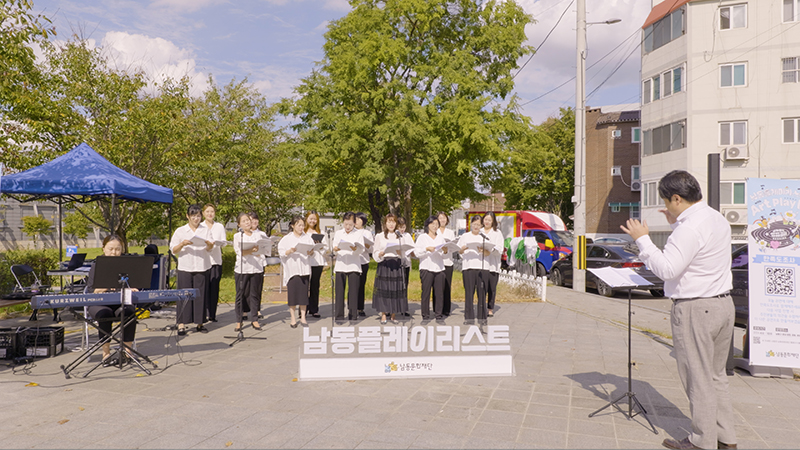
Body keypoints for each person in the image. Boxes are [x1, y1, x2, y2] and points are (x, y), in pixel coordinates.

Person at [620, 170, 736, 450]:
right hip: (722, 304)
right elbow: (694, 252)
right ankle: (725, 438)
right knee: (716, 376)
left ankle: (702, 441)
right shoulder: (715, 218)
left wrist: (642, 240)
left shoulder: (689, 228)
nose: (666, 207)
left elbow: (668, 269)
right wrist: (675, 224)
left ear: (676, 198)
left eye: (666, 201)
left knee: (698, 379)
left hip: (696, 308)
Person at [85, 235, 136, 366]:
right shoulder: (96, 266)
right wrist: (107, 286)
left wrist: (133, 288)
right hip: (99, 303)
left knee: (129, 311)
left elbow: (135, 284)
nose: (114, 252)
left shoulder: (127, 266)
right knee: (104, 313)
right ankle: (105, 353)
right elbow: (91, 290)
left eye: (118, 249)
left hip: (119, 302)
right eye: (111, 249)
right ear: (103, 249)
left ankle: (127, 352)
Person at [170, 204, 214, 335]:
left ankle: (200, 323)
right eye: (193, 216)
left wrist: (209, 244)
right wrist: (182, 243)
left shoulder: (205, 230)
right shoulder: (180, 231)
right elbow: (173, 249)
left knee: (200, 295)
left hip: (201, 265)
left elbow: (210, 248)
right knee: (183, 295)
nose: (196, 219)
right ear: (187, 216)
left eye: (198, 216)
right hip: (185, 266)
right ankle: (182, 324)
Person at [371, 213, 409, 324]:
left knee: (395, 289)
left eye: (393, 221)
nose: (391, 224)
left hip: (396, 264)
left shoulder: (399, 236)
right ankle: (383, 314)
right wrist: (380, 253)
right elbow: (375, 251)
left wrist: (400, 252)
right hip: (384, 263)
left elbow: (404, 253)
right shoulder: (380, 236)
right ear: (385, 223)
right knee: (384, 290)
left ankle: (393, 315)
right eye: (389, 221)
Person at [278, 216, 314, 328]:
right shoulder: (286, 239)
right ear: (293, 225)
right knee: (293, 295)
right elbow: (281, 252)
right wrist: (289, 251)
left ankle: (303, 317)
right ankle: (293, 318)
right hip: (292, 269)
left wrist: (311, 252)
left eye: (303, 225)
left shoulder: (307, 238)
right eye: (299, 225)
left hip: (304, 268)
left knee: (304, 295)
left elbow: (312, 251)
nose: (301, 227)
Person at [232, 213, 262, 332]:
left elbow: (263, 250)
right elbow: (240, 252)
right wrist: (251, 250)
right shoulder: (238, 236)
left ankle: (255, 319)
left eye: (248, 220)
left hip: (256, 267)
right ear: (239, 224)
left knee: (254, 295)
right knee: (240, 295)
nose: (247, 222)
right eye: (244, 221)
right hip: (242, 269)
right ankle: (239, 321)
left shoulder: (258, 235)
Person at [458, 215, 490, 324]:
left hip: (482, 268)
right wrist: (462, 249)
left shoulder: (484, 237)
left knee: (482, 293)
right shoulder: (465, 236)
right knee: (469, 293)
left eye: (478, 224)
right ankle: (469, 318)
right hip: (468, 267)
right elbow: (459, 252)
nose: (476, 226)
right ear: (470, 224)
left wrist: (482, 250)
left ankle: (482, 317)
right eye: (474, 224)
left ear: (481, 225)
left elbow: (488, 253)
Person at [415, 215, 447, 323]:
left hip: (439, 268)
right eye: (432, 224)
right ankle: (425, 316)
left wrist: (445, 250)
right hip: (426, 268)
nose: (434, 226)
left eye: (436, 224)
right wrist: (426, 249)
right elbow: (417, 253)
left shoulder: (440, 237)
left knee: (439, 293)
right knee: (426, 293)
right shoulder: (422, 237)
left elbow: (444, 255)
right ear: (428, 225)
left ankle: (438, 315)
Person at [333, 212, 364, 322]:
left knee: (353, 292)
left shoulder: (358, 234)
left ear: (354, 223)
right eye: (346, 224)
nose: (347, 227)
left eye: (350, 224)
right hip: (341, 264)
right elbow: (334, 248)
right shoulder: (338, 233)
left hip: (353, 264)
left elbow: (362, 249)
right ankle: (339, 316)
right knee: (339, 292)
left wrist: (356, 249)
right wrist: (336, 249)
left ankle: (353, 315)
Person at [203, 204, 226, 323]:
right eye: (207, 211)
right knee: (204, 287)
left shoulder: (219, 226)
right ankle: (203, 313)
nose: (210, 214)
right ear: (203, 213)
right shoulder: (200, 226)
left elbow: (224, 241)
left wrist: (217, 243)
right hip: (203, 261)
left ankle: (212, 314)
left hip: (216, 261)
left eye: (212, 211)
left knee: (214, 287)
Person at [482, 211, 504, 317]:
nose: (487, 222)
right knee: (482, 288)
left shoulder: (497, 233)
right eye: (485, 219)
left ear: (493, 221)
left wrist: (491, 249)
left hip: (493, 265)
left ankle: (490, 308)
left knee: (491, 288)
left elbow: (500, 249)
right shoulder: (479, 232)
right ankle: (481, 307)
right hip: (481, 265)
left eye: (489, 220)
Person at [305, 211, 325, 318]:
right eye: (311, 218)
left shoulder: (320, 232)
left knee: (315, 285)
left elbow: (325, 247)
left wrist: (320, 246)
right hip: (306, 261)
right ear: (306, 219)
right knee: (304, 286)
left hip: (317, 261)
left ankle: (314, 309)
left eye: (315, 219)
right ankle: (303, 309)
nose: (312, 221)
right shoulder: (303, 232)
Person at [248, 211, 268, 319]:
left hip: (259, 263)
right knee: (246, 289)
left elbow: (267, 249)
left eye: (255, 219)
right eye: (251, 220)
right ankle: (245, 311)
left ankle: (257, 310)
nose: (254, 222)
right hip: (247, 264)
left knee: (257, 288)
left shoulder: (262, 234)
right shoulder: (243, 234)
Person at [436, 211, 456, 316]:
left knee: (447, 286)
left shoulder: (450, 232)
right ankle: (437, 309)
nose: (442, 220)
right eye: (440, 218)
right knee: (437, 287)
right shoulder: (435, 231)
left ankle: (446, 309)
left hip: (448, 262)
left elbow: (453, 247)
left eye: (444, 218)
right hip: (437, 262)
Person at [354, 212, 373, 317]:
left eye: (359, 219)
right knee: (353, 286)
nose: (356, 221)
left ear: (363, 221)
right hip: (353, 261)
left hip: (363, 261)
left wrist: (366, 245)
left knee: (361, 285)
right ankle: (352, 307)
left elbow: (371, 248)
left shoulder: (367, 233)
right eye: (355, 219)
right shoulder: (351, 232)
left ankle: (360, 308)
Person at [397, 217, 414, 290]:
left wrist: (412, 251)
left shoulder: (407, 235)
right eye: (400, 227)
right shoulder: (395, 235)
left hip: (406, 261)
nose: (402, 229)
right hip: (397, 261)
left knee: (405, 281)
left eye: (404, 227)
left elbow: (412, 246)